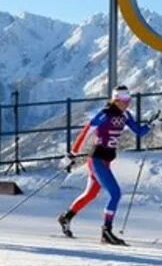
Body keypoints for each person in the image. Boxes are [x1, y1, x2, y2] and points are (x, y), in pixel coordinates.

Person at [57, 85, 154, 245]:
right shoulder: (104, 114)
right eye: (123, 100)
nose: (127, 103)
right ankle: (106, 231)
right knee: (115, 194)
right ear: (115, 100)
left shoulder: (125, 115)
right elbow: (86, 132)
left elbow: (139, 131)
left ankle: (66, 217)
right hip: (97, 159)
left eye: (128, 100)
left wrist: (151, 124)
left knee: (91, 194)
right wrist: (72, 153)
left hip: (106, 160)